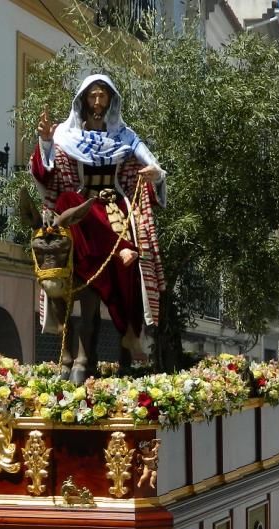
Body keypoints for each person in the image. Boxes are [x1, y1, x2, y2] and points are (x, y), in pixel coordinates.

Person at [31, 73, 166, 361]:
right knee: (65, 210)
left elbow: (151, 166)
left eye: (102, 95)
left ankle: (129, 330)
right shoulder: (66, 137)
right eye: (92, 95)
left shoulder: (125, 138)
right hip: (81, 204)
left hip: (114, 206)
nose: (97, 101)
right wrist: (45, 142)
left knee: (131, 258)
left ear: (110, 100)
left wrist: (155, 176)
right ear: (83, 100)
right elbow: (48, 174)